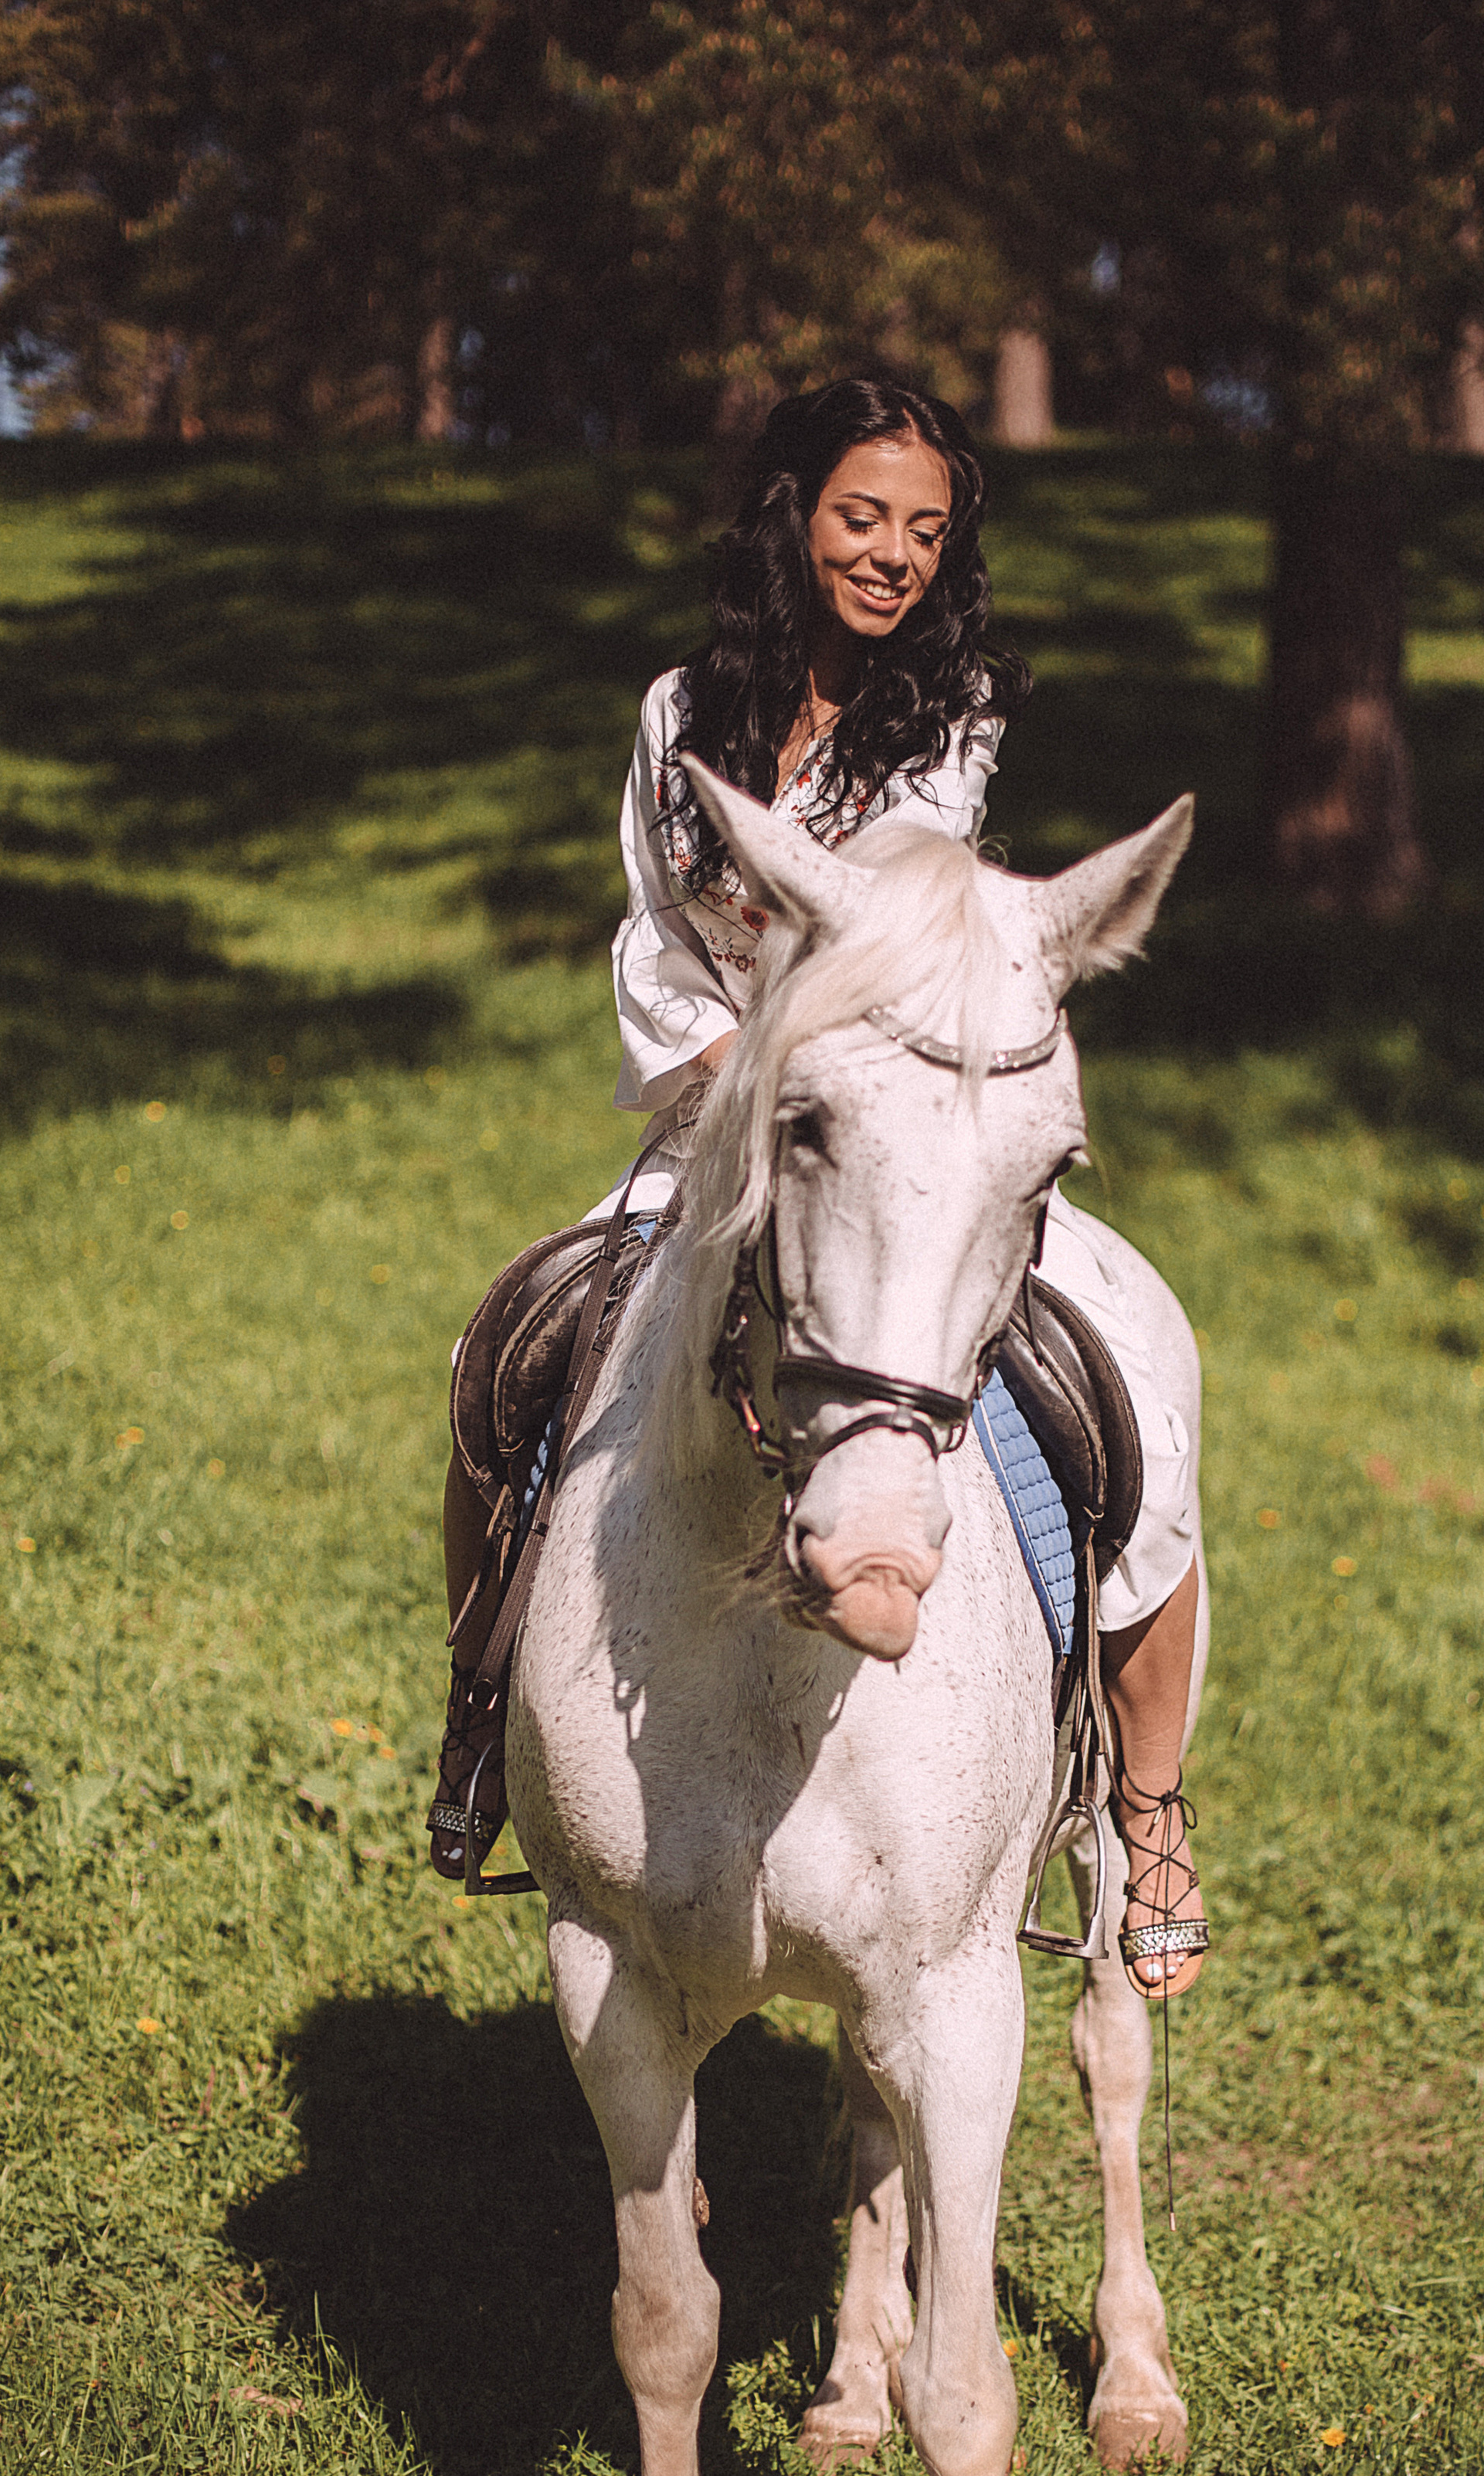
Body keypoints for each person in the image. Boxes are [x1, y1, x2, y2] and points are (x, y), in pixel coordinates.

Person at [435, 375, 1207, 1996]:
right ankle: (488, 1728)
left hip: (907, 1142)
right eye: (864, 517)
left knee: (1125, 1391)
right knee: (507, 1357)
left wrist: (820, 1086)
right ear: (794, 516)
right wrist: (733, 1090)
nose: (894, 556)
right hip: (715, 1122)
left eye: (926, 530)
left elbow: (902, 929)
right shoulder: (674, 714)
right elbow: (657, 934)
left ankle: (1144, 1805)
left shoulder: (952, 716)